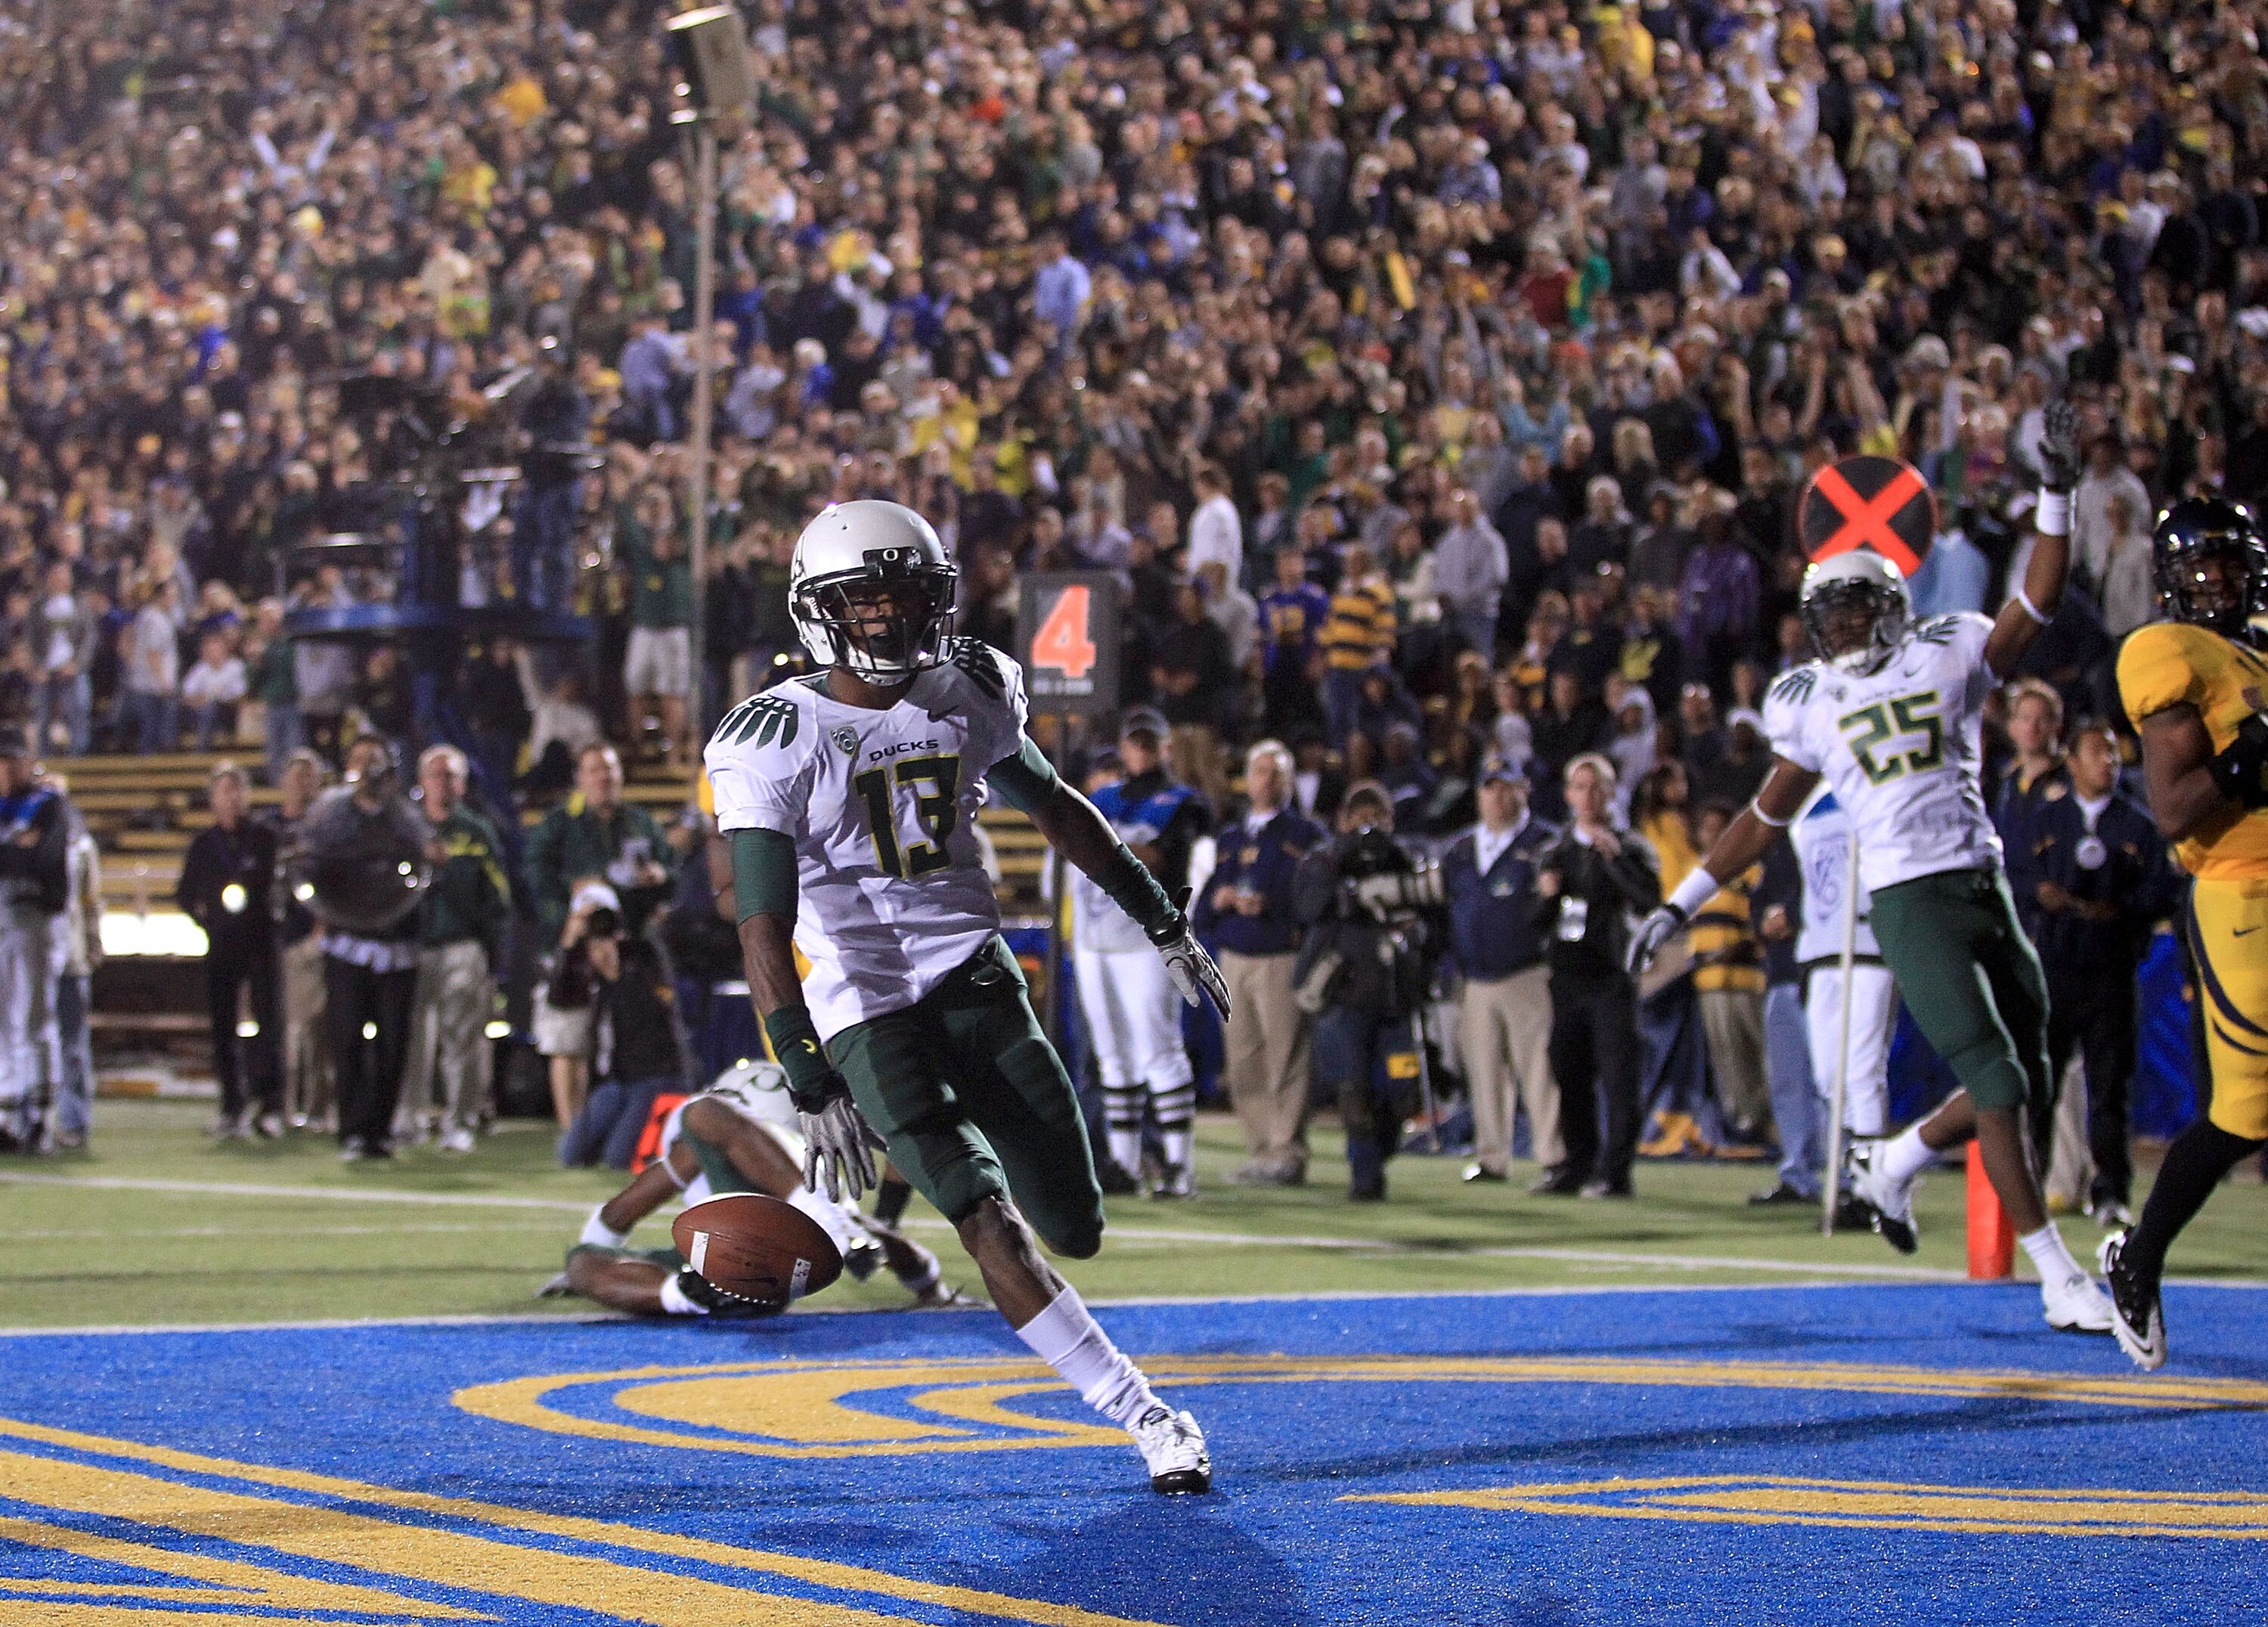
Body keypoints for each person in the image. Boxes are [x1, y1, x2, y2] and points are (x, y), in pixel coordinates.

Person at [705, 500, 1228, 1495]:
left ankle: (1062, 1275)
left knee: (1075, 1224)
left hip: (982, 987)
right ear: (819, 611)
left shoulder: (971, 688)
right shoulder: (774, 733)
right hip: (868, 1014)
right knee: (984, 1217)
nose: (893, 620)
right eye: (868, 600)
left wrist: (1161, 917)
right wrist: (807, 1074)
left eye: (911, 597)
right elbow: (761, 923)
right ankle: (1145, 1415)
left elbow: (1063, 811)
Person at [1631, 402, 2117, 1335]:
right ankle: (2056, 1273)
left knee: (2036, 1061)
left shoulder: (1948, 654)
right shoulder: (1810, 703)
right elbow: (1762, 818)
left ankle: (1896, 1160)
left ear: (1893, 607)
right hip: (1907, 896)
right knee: (2000, 1076)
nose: (1845, 625)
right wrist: (1683, 901)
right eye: (1830, 612)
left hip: (1983, 879)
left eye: (1858, 607)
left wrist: (2055, 492)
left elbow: (2039, 602)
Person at [2098, 497, 2268, 1369]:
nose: (2219, 581)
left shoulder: (2257, 646)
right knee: (2244, 1111)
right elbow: (2172, 809)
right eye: (2202, 567)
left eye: (2232, 565)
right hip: (2242, 894)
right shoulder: (2166, 653)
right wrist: (2246, 758)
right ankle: (2139, 1254)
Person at [551, 1062, 966, 1316]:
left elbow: (618, 1213)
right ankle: (689, 1294)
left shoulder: (713, 1122)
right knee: (582, 1264)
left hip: (776, 1264)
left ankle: (692, 1292)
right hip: (728, 1275)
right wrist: (930, 1286)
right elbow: (890, 1245)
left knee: (701, 1115)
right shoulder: (815, 1185)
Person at [2009, 716, 2177, 1227]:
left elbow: (2160, 892)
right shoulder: (2046, 821)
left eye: (2113, 753)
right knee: (2042, 1083)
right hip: (2055, 968)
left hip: (2111, 971)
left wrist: (2120, 910)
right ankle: (2028, 1188)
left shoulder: (2137, 826)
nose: (2108, 761)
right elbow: (2015, 876)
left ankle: (2110, 1192)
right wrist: (2039, 895)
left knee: (2109, 1088)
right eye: (2097, 752)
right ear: (2073, 762)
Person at [1071, 707, 1210, 1196]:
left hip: (1149, 937)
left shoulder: (1183, 801)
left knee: (1160, 1049)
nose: (1142, 750)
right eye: (1136, 741)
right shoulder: (1101, 797)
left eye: (1150, 742)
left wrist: (1097, 841)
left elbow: (1165, 856)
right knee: (1112, 1057)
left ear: (1165, 746)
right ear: (1125, 746)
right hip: (1095, 938)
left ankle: (1178, 1166)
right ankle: (1125, 1163)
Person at [1292, 783, 1436, 1202]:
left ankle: (1379, 1153)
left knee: (1403, 1091)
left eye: (1378, 819)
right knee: (1353, 1091)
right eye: (1361, 819)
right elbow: (1309, 906)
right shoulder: (1323, 861)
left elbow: (1434, 908)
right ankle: (1365, 1178)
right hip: (1344, 995)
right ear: (1343, 822)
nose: (1370, 829)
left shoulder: (1405, 860)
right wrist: (1350, 878)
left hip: (1397, 999)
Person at [1194, 739, 1325, 1187]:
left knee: (1286, 1055)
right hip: (1235, 958)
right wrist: (1222, 898)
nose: (1265, 780)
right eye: (1259, 771)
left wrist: (1275, 904)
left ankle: (1288, 1151)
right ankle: (1262, 1149)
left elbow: (1315, 899)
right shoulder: (1232, 838)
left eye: (1274, 772)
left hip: (1279, 956)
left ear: (1288, 781)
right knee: (1243, 1057)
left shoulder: (1305, 835)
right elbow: (1206, 904)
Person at [525, 742, 675, 1130]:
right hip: (575, 946)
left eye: (610, 770)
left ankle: (605, 1125)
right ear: (580, 778)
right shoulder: (560, 823)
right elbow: (535, 878)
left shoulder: (639, 821)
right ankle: (570, 1130)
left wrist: (659, 878)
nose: (604, 778)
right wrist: (569, 912)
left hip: (626, 949)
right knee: (568, 1039)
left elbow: (669, 872)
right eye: (594, 770)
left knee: (621, 1039)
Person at [296, 736, 431, 1161]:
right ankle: (353, 1128)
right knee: (347, 1038)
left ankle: (381, 1129)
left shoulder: (404, 818)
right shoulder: (331, 816)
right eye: (360, 759)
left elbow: (422, 863)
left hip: (395, 940)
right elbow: (313, 864)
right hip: (347, 939)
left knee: (393, 1042)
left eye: (376, 760)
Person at [1536, 755, 1661, 1198]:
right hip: (1568, 976)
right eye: (1580, 787)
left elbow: (1650, 899)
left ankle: (1616, 1170)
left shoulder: (1631, 845)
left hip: (1612, 975)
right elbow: (1536, 920)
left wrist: (1614, 860)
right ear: (1568, 795)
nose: (1588, 796)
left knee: (1618, 1076)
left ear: (1611, 793)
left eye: (1597, 787)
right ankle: (1578, 1163)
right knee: (1569, 1072)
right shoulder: (1556, 850)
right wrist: (1547, 897)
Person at [1440, 756, 1563, 1186]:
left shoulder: (1545, 843)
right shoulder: (1459, 849)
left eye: (1506, 787)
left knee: (1539, 1069)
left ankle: (1554, 1156)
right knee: (1485, 1072)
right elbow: (1445, 912)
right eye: (1490, 787)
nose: (1497, 796)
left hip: (1527, 973)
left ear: (1523, 789)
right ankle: (1492, 1157)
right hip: (1476, 978)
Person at [401, 745, 513, 1153]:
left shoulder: (477, 831)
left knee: (460, 1039)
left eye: (449, 775)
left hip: (462, 942)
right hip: (413, 946)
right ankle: (409, 1118)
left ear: (462, 784)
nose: (442, 783)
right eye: (434, 774)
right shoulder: (408, 829)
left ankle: (459, 1120)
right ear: (421, 781)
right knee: (412, 1039)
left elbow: (498, 894)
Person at [175, 763, 284, 1139]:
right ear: (213, 799)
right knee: (224, 1026)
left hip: (260, 940)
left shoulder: (264, 838)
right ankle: (231, 1105)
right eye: (226, 790)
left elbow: (277, 885)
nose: (234, 798)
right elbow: (185, 894)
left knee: (269, 1022)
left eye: (239, 790)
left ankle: (270, 1104)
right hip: (222, 944)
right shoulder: (204, 846)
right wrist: (207, 922)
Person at [553, 882, 695, 1170]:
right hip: (618, 1081)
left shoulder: (644, 956)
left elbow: (659, 1006)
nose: (600, 945)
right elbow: (559, 998)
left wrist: (618, 970)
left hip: (656, 1075)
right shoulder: (590, 972)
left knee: (618, 1158)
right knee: (570, 1155)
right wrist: (569, 946)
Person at [0, 725, 69, 1151]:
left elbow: (44, 859)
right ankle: (7, 1111)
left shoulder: (47, 805)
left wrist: (19, 855)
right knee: (4, 1019)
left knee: (36, 1017)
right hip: (4, 916)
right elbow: (21, 855)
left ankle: (41, 1113)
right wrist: (17, 852)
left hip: (35, 919)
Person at [273, 750, 333, 1131]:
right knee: (282, 1035)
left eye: (310, 777)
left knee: (315, 1033)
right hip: (277, 940)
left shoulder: (329, 829)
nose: (302, 784)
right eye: (296, 776)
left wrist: (323, 927)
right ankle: (281, 1107)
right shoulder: (271, 829)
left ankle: (316, 1108)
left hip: (312, 938)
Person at [45, 772, 100, 1149]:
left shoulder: (80, 847)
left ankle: (74, 1120)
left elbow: (90, 900)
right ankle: (24, 1116)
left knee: (72, 1043)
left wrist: (94, 942)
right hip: (31, 956)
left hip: (70, 956)